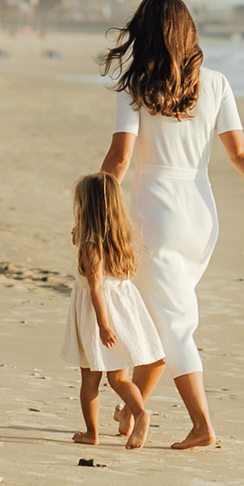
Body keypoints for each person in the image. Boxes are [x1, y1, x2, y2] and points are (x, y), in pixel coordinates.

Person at [98, 0, 244, 449]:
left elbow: (120, 159)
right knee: (161, 315)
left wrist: (96, 210)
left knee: (173, 324)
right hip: (201, 214)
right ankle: (133, 413)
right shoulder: (216, 83)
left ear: (145, 34)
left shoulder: (136, 87)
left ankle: (201, 425)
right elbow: (241, 152)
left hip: (156, 212)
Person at [64, 173, 165, 450]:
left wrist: (102, 324)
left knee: (90, 378)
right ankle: (141, 413)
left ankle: (91, 433)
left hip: (99, 314)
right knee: (119, 378)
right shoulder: (121, 239)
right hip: (123, 309)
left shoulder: (90, 246)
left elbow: (96, 286)